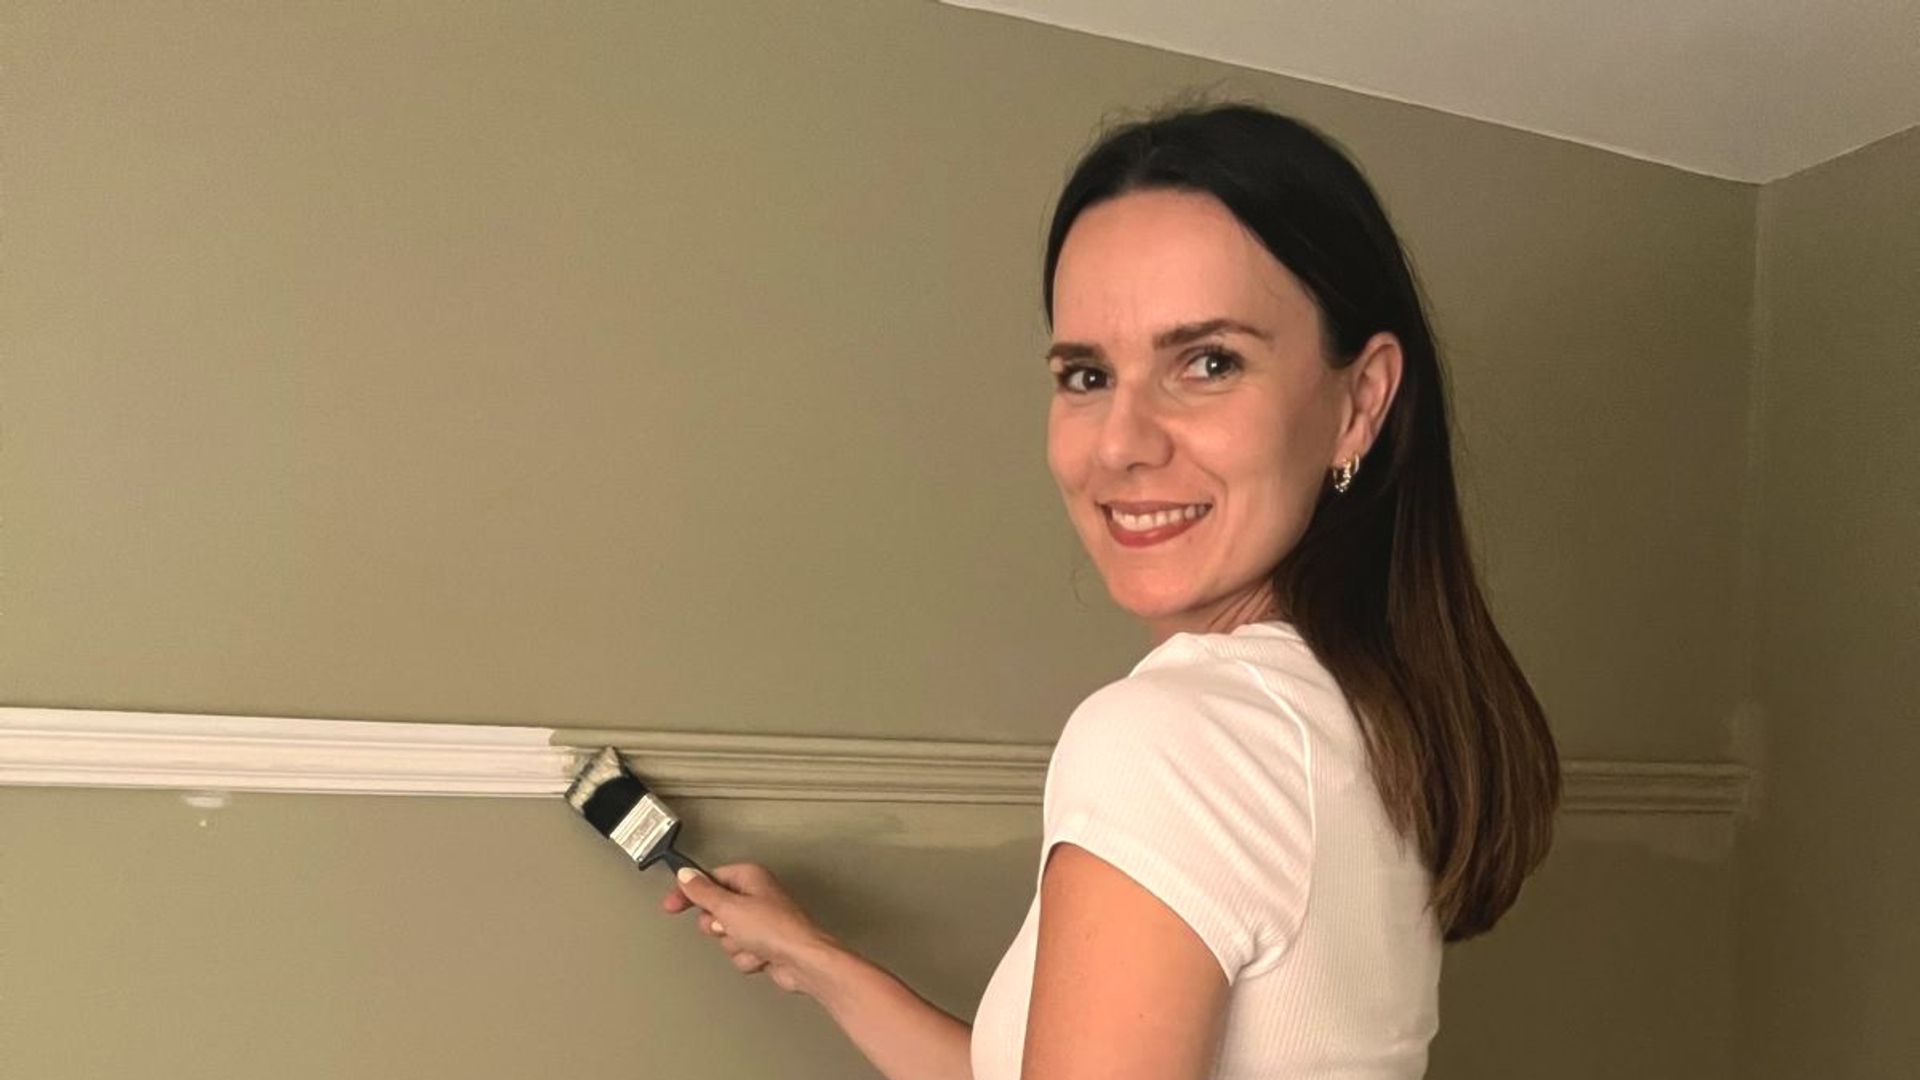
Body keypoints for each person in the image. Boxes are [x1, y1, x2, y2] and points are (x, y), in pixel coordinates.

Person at [664, 101, 1561, 1080]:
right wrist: (821, 963)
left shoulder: (1173, 738)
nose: (1122, 443)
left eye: (1208, 363)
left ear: (1360, 402)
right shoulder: (1355, 716)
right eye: (1087, 375)